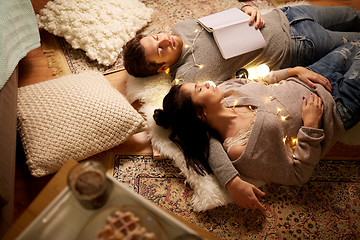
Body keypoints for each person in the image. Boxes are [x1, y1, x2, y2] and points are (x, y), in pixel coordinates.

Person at [153, 39, 360, 211]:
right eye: (199, 89)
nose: (207, 83)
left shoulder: (227, 90)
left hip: (311, 76)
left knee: (354, 42)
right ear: (200, 114)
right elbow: (298, 174)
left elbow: (265, 80)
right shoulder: (239, 150)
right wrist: (311, 126)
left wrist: (294, 71)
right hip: (338, 106)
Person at [123, 4, 360, 83]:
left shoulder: (179, 28)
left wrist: (246, 9)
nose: (165, 39)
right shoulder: (189, 77)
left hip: (288, 14)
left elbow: (225, 18)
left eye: (156, 37)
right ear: (162, 67)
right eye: (160, 49)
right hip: (298, 44)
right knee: (357, 45)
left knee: (352, 14)